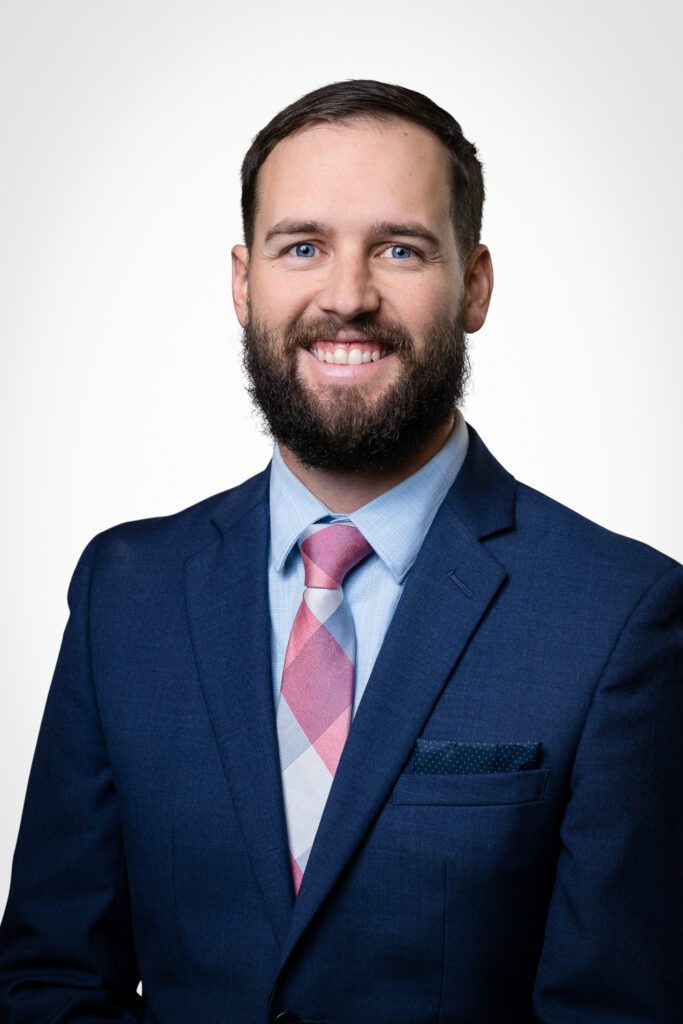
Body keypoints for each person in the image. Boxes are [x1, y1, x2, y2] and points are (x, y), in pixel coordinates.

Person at [0, 79, 681, 1024]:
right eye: (303, 247)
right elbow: (51, 981)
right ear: (244, 282)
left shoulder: (620, 614)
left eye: (399, 248)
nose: (347, 296)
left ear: (474, 284)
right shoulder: (125, 592)